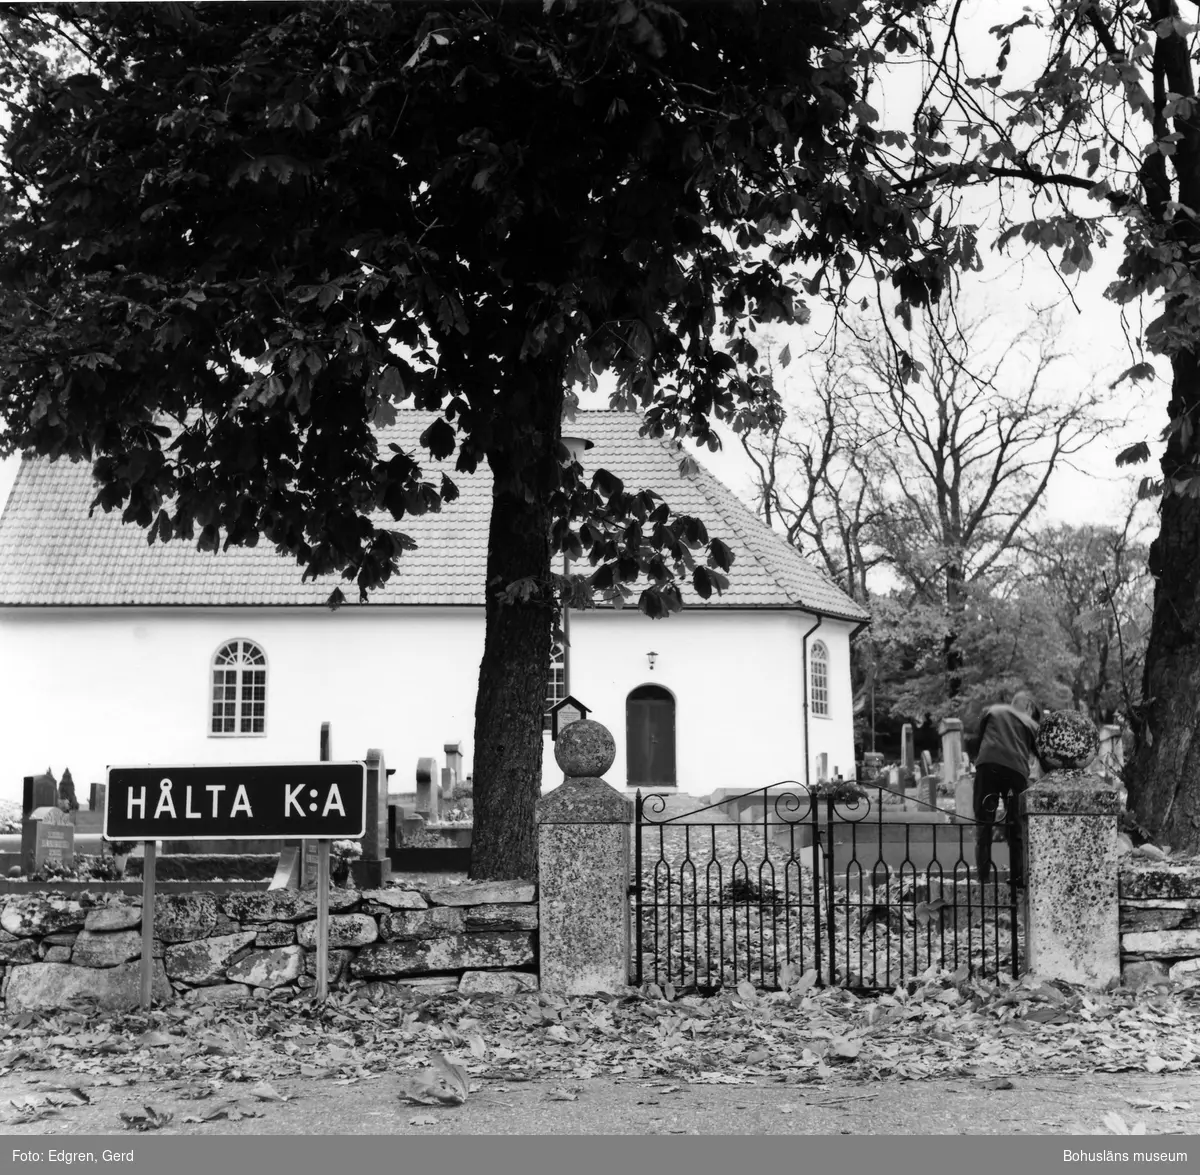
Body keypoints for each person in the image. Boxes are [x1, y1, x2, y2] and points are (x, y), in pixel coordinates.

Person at [973, 690, 1039, 890]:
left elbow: (979, 738)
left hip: (988, 765)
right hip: (1015, 772)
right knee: (1015, 825)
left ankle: (983, 878)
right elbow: (1042, 756)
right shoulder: (1031, 725)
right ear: (1028, 706)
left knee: (983, 822)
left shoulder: (993, 710)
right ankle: (1018, 878)